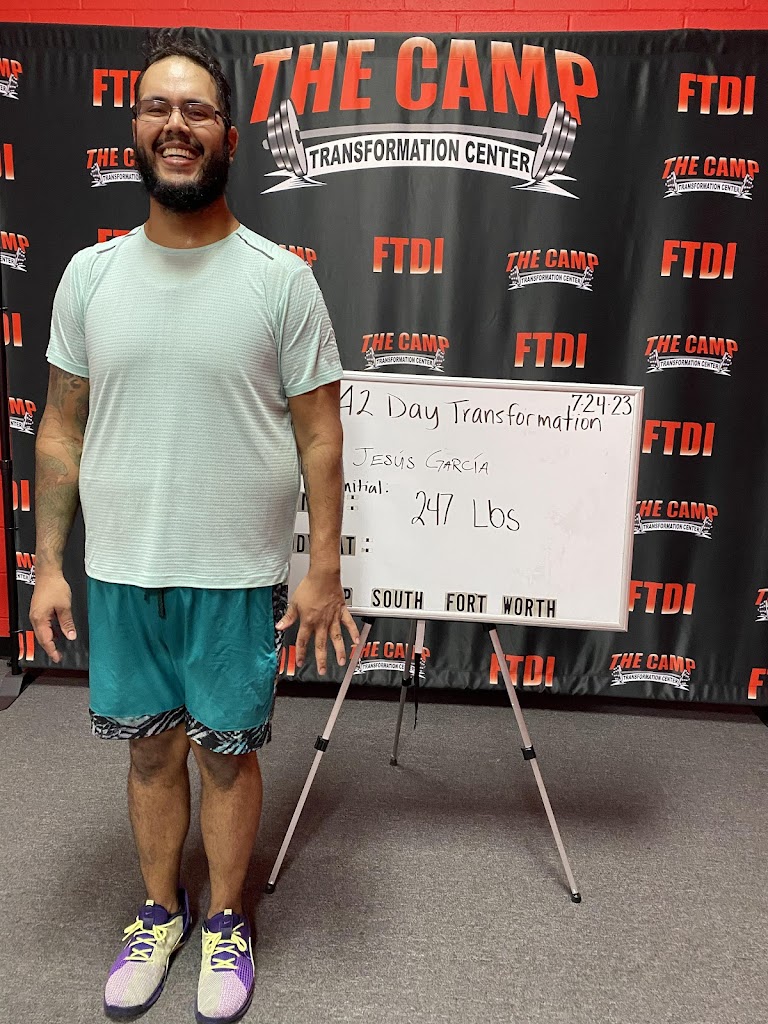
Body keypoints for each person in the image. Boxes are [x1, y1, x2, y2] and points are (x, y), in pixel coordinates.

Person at [29, 31, 358, 1024]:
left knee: (224, 754)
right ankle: (157, 913)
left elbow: (321, 434)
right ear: (135, 128)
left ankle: (223, 920)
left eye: (198, 110)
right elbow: (61, 426)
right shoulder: (89, 278)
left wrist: (324, 569)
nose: (176, 126)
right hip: (124, 568)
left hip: (234, 572)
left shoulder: (279, 279)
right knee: (148, 753)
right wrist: (50, 564)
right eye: (157, 108)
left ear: (228, 134)